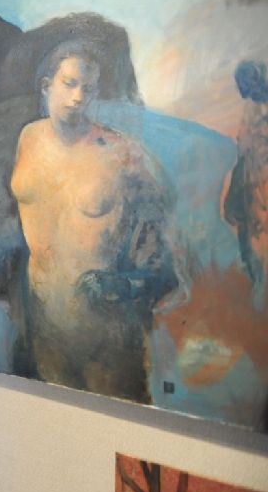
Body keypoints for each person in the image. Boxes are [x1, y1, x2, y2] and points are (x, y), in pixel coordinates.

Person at [9, 41, 177, 403]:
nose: (78, 97)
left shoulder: (120, 154)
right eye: (70, 83)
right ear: (46, 86)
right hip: (44, 324)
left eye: (89, 88)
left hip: (107, 333)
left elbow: (163, 265)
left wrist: (122, 286)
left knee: (119, 419)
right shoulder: (28, 139)